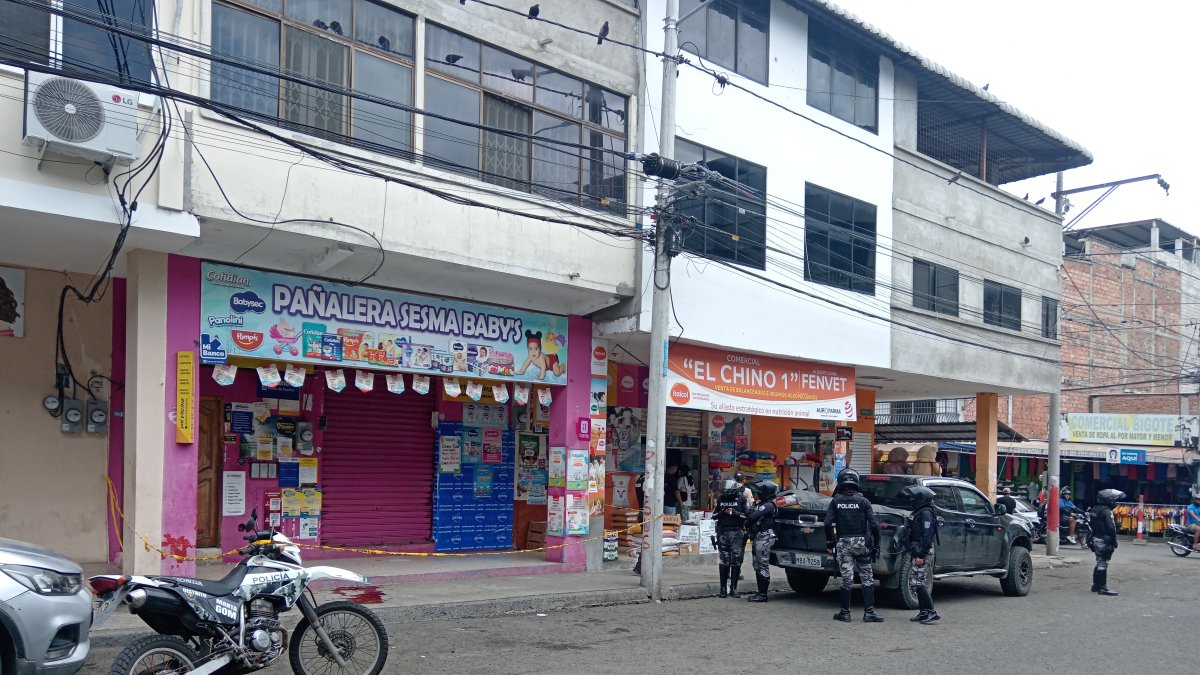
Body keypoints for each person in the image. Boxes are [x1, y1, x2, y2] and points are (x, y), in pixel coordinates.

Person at [824, 470, 884, 623]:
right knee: (867, 577)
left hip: (844, 544)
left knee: (847, 579)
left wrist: (830, 542)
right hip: (862, 544)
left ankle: (845, 613)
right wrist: (876, 543)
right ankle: (869, 612)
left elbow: (827, 523)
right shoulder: (864, 502)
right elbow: (874, 525)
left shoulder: (836, 502)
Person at [900, 485, 941, 624]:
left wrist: (921, 556)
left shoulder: (926, 514)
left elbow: (927, 537)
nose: (912, 500)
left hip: (923, 552)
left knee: (919, 582)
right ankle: (923, 612)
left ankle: (931, 612)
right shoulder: (920, 512)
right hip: (917, 551)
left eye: (914, 498)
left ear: (921, 499)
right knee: (915, 582)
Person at [742, 480, 780, 603]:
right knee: (757, 564)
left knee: (762, 565)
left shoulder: (768, 505)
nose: (757, 494)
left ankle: (763, 594)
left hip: (765, 536)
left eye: (760, 492)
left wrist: (744, 506)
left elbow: (752, 517)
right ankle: (760, 592)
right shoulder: (763, 504)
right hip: (759, 536)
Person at [713, 479, 748, 598]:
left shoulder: (741, 499)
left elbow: (747, 515)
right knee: (724, 561)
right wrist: (722, 512)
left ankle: (734, 588)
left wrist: (735, 513)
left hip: (737, 533)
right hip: (723, 532)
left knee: (736, 561)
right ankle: (723, 589)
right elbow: (714, 516)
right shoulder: (721, 499)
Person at [1089, 488, 1125, 596]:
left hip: (1095, 538)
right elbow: (1111, 528)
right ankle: (1102, 588)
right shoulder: (1107, 511)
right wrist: (1114, 541)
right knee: (1103, 563)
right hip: (1104, 539)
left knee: (1099, 561)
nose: (1115, 502)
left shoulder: (1094, 509)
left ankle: (1096, 585)